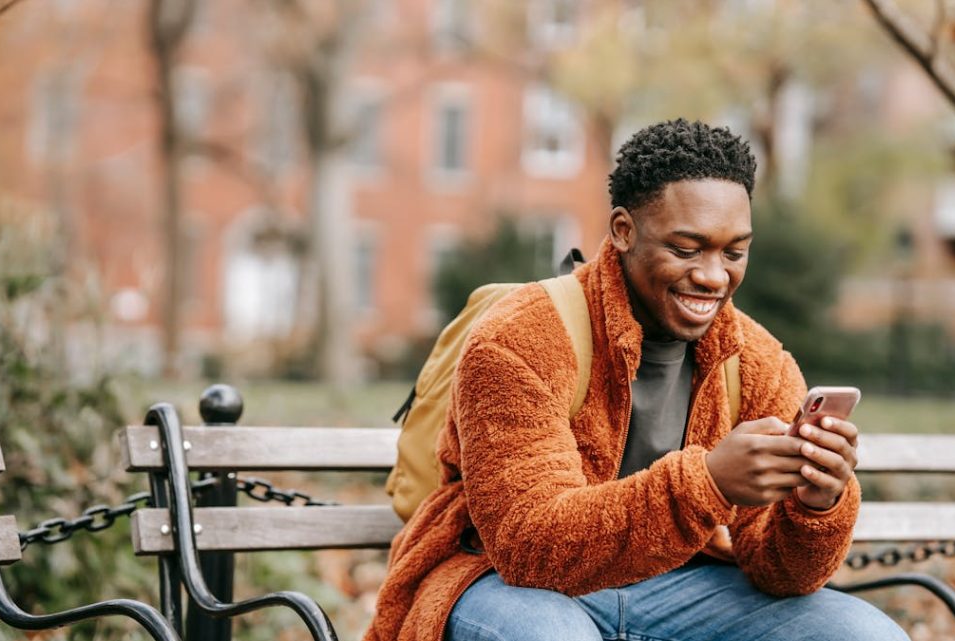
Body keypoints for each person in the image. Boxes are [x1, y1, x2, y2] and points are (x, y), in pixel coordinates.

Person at [363, 119, 909, 641]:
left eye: (734, 251)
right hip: (499, 581)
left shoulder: (757, 361)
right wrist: (709, 483)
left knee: (864, 633)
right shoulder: (521, 337)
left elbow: (781, 575)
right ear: (624, 231)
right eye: (685, 248)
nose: (714, 276)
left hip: (679, 587)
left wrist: (816, 504)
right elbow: (528, 547)